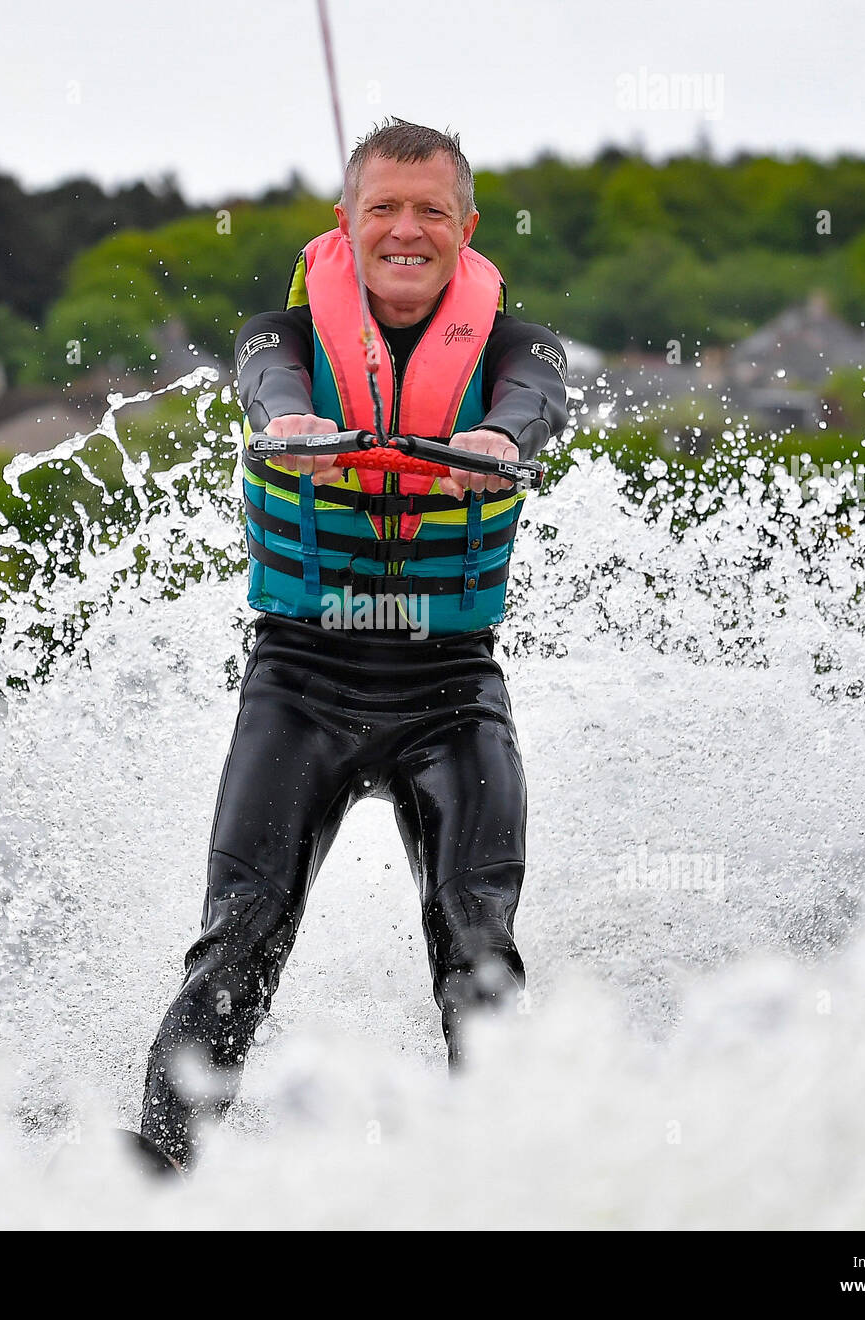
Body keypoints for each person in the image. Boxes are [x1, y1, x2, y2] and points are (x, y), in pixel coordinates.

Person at [138, 118, 568, 1174]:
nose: (406, 229)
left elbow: (535, 400)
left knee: (477, 939)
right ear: (345, 222)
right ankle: (158, 1175)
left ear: (467, 227)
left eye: (431, 211)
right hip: (301, 681)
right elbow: (267, 384)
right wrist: (290, 428)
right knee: (238, 937)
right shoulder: (277, 337)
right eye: (384, 208)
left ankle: (502, 1175)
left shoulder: (520, 349)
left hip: (450, 691)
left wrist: (497, 439)